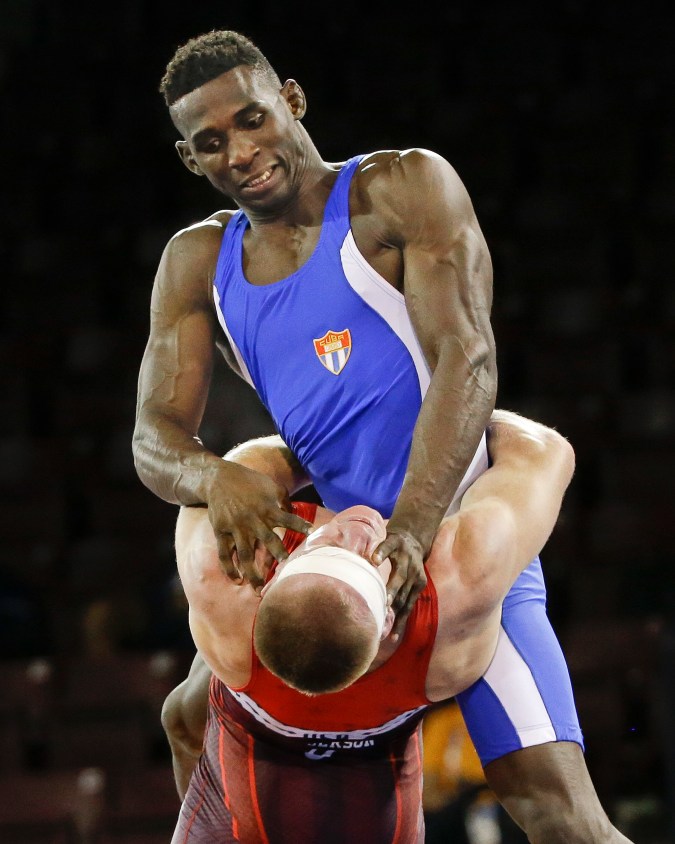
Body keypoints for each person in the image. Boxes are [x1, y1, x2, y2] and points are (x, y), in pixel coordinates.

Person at [132, 30, 628, 842]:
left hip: (456, 542)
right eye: (211, 143)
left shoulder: (400, 189)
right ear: (191, 160)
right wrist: (213, 478)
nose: (241, 152)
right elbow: (152, 440)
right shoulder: (198, 259)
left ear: (291, 99)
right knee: (185, 714)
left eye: (253, 120)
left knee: (560, 816)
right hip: (332, 556)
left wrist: (413, 530)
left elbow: (467, 360)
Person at [162, 411, 627, 842]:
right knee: (565, 816)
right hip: (377, 782)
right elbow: (545, 450)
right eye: (368, 563)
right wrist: (428, 418)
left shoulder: (221, 575)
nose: (360, 530)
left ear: (273, 578)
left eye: (333, 546)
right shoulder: (452, 593)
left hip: (257, 730)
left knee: (182, 714)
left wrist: (323, 449)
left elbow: (231, 473)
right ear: (391, 618)